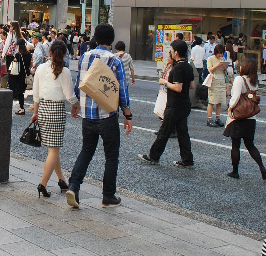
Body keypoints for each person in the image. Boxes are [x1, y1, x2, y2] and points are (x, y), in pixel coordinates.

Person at [66, 23, 133, 210]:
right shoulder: (114, 60)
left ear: (95, 37)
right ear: (111, 40)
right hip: (107, 115)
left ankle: (74, 186)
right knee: (111, 156)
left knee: (86, 151)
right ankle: (108, 196)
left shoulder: (85, 56)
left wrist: (77, 104)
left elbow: (81, 81)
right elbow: (122, 90)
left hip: (87, 115)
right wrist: (128, 115)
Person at [32, 39, 79, 197]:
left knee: (53, 147)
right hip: (57, 110)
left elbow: (36, 93)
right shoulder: (64, 71)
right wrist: (76, 105)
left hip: (43, 109)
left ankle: (61, 180)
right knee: (53, 149)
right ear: (65, 54)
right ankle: (43, 184)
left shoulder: (41, 68)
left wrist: (35, 113)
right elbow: (69, 95)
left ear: (50, 52)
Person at [139, 39, 194, 169]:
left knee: (164, 132)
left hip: (174, 105)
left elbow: (178, 88)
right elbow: (191, 86)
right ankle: (187, 160)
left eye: (171, 51)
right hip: (185, 104)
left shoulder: (178, 68)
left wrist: (164, 81)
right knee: (183, 133)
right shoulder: (188, 67)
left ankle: (153, 156)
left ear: (175, 52)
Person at [223, 58, 266, 180]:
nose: (240, 66)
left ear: (245, 67)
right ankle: (262, 168)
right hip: (251, 117)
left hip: (239, 117)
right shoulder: (254, 81)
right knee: (250, 145)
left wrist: (230, 108)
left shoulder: (239, 79)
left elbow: (235, 97)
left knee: (235, 145)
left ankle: (235, 171)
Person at [206, 44, 229, 127]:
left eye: (222, 53)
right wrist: (218, 65)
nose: (220, 55)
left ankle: (218, 118)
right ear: (215, 52)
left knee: (220, 101)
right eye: (219, 53)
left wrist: (225, 67)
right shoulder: (210, 59)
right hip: (213, 80)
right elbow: (210, 70)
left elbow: (226, 73)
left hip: (221, 80)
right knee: (212, 100)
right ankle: (209, 118)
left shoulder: (223, 59)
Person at [9, 39, 32, 115]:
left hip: (18, 75)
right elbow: (30, 65)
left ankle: (22, 108)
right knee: (21, 92)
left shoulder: (18, 55)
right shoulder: (28, 54)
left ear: (19, 46)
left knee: (19, 92)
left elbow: (15, 64)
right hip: (25, 75)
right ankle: (21, 107)